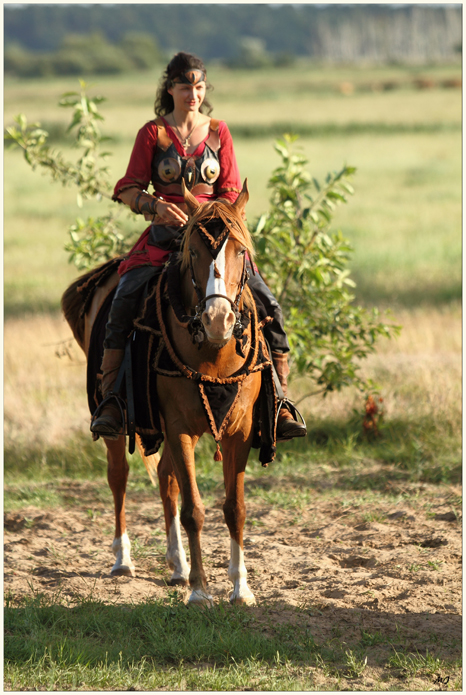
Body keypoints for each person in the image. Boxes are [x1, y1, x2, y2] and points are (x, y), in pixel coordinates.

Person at [91, 52, 306, 443]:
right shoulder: (152, 134)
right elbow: (127, 187)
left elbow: (229, 189)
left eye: (200, 86)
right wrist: (156, 206)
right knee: (123, 301)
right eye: (186, 85)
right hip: (163, 240)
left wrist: (208, 215)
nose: (194, 92)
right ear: (169, 88)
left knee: (267, 304)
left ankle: (280, 403)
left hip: (215, 239)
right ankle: (113, 400)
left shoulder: (219, 132)